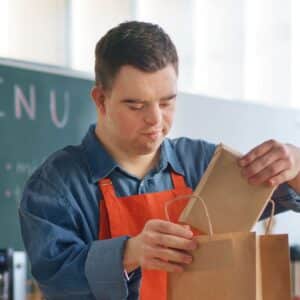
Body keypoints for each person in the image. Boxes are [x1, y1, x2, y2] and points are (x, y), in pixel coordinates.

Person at [19, 21, 300, 300]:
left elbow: (289, 194)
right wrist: (129, 254)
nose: (155, 120)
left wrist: (295, 164)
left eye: (167, 102)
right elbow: (56, 280)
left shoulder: (202, 163)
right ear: (101, 100)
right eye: (136, 105)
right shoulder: (56, 185)